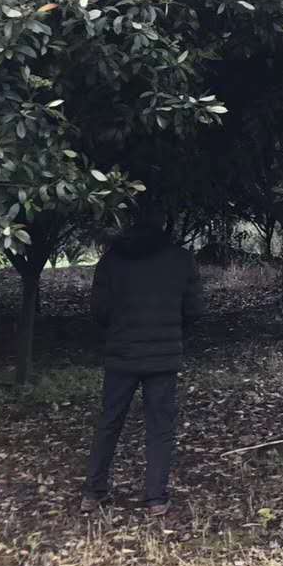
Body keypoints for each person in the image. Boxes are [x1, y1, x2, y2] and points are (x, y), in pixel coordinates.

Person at [82, 206, 203, 516]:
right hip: (162, 358)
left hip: (121, 355)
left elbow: (99, 310)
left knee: (109, 421)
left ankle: (93, 492)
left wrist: (120, 330)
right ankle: (155, 498)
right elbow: (194, 310)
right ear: (165, 223)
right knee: (160, 427)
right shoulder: (180, 259)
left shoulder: (112, 259)